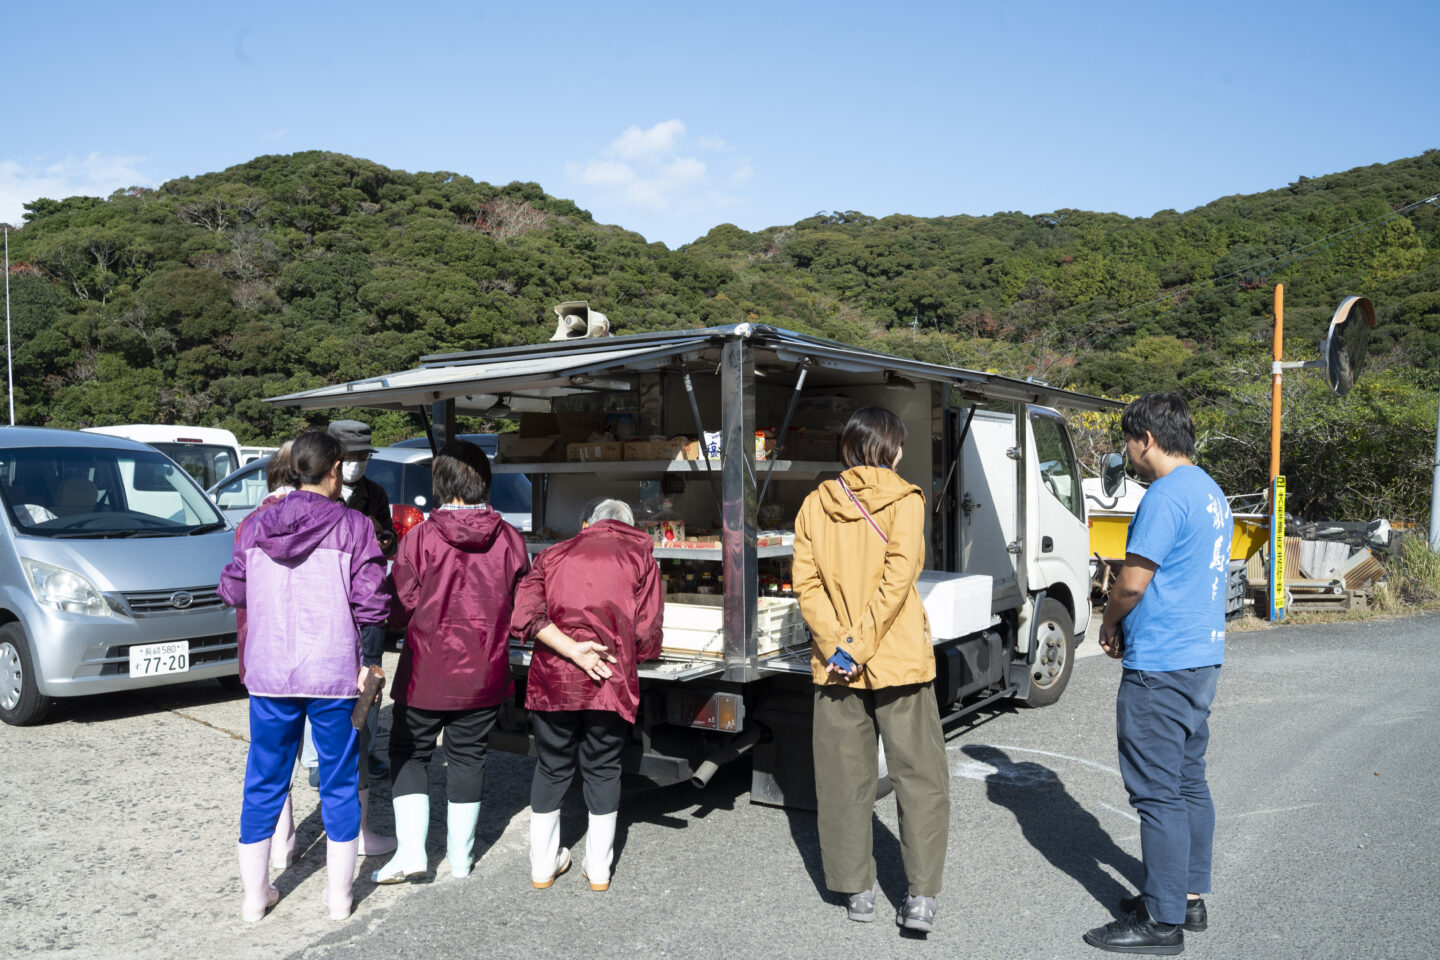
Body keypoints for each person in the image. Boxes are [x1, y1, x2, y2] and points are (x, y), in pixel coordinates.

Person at [219, 431, 392, 922]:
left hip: (270, 672)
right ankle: (339, 898)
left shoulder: (256, 525)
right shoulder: (354, 525)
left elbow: (232, 589)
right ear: (333, 470)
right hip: (333, 671)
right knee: (339, 780)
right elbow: (373, 602)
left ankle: (255, 898)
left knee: (264, 779)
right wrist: (370, 659)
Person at [791, 406, 950, 932]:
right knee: (920, 779)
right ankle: (920, 898)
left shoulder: (815, 503)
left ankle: (856, 890)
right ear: (893, 449)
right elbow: (898, 580)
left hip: (834, 664)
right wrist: (861, 645)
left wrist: (839, 645)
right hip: (898, 659)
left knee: (843, 780)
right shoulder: (905, 500)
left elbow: (806, 585)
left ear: (849, 448)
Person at [1083, 392, 1230, 956]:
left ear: (1146, 439)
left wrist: (1108, 622)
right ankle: (1186, 897)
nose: (1128, 452)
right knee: (1188, 779)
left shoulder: (1164, 496)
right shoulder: (1210, 491)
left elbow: (1132, 582)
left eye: (1128, 441)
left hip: (1162, 663)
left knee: (1157, 791)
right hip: (1201, 658)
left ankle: (1163, 922)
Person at [372, 441, 529, 884]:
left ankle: (411, 854)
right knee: (469, 757)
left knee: (409, 753)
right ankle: (461, 860)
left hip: (425, 672)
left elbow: (397, 609)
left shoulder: (420, 538)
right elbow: (522, 608)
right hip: (485, 671)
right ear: (485, 481)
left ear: (440, 482)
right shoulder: (510, 539)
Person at [510, 498, 663, 892]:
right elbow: (646, 630)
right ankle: (598, 870)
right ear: (629, 525)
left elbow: (524, 615)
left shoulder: (552, 554)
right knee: (604, 767)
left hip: (553, 680)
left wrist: (571, 649)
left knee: (551, 766)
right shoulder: (641, 557)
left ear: (588, 523)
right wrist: (634, 655)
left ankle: (542, 866)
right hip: (609, 678)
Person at [327, 419, 396, 781]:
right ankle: (323, 759)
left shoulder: (376, 493)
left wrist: (385, 540)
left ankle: (365, 754)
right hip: (330, 599)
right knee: (328, 682)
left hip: (367, 600)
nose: (357, 463)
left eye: (363, 456)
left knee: (370, 676)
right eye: (351, 457)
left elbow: (391, 540)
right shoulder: (320, 491)